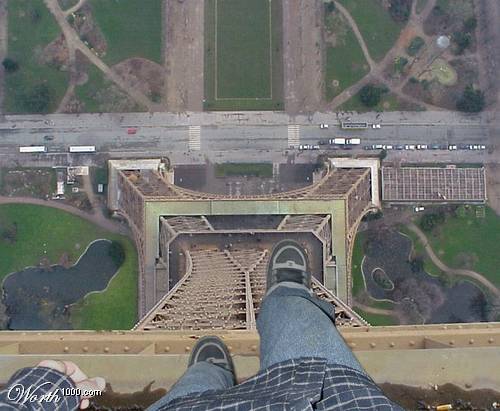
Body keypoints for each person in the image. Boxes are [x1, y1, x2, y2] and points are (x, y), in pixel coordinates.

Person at [0, 240, 404, 410]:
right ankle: (286, 296)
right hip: (328, 398)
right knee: (297, 321)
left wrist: (32, 399)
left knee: (194, 390)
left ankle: (211, 372)